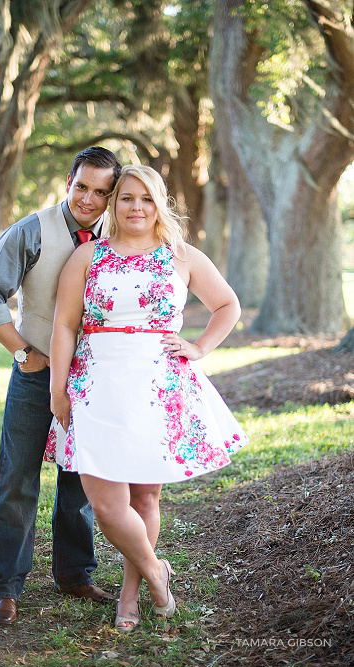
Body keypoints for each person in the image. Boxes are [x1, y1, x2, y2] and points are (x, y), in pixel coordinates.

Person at [46, 164, 248, 633]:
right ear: (113, 205)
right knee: (105, 504)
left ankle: (132, 594)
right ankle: (158, 570)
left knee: (145, 495)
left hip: (160, 386)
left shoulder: (182, 256)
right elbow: (63, 325)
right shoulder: (87, 257)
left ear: (159, 204)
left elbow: (227, 305)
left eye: (146, 199)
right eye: (126, 198)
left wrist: (199, 347)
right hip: (96, 382)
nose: (136, 207)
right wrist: (58, 388)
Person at [0, 147, 122, 626]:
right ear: (68, 182)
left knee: (80, 479)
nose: (90, 199)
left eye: (102, 192)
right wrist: (24, 354)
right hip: (36, 375)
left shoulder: (120, 237)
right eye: (83, 187)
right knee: (17, 478)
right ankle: (4, 587)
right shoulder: (31, 230)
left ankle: (75, 575)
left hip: (94, 380)